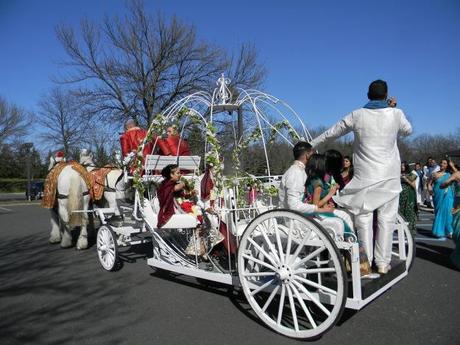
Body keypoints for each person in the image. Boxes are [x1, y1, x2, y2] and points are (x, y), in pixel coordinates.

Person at [310, 79, 412, 274]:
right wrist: (394, 108)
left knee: (363, 219)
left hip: (365, 176)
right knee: (387, 219)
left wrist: (311, 144)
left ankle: (364, 264)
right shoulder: (396, 114)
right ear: (386, 95)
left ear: (368, 95)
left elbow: (332, 132)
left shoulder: (357, 115)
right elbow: (408, 130)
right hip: (389, 175)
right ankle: (382, 263)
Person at [278, 142, 354, 239]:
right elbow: (293, 205)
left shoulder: (301, 171)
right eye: (313, 153)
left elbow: (304, 199)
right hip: (296, 220)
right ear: (308, 155)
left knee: (345, 215)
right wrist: (319, 209)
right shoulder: (295, 173)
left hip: (303, 215)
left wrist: (322, 206)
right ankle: (344, 249)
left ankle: (350, 246)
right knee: (337, 222)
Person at [304, 153, 354, 236]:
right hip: (315, 212)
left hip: (313, 209)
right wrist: (330, 194)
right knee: (344, 218)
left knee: (345, 216)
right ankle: (350, 240)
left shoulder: (312, 179)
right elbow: (315, 205)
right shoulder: (318, 184)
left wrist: (327, 204)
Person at [440, 162, 460, 269]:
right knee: (457, 233)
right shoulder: (457, 174)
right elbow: (442, 185)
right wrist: (448, 182)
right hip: (457, 208)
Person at [431, 158, 454, 239]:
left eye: (444, 163)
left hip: (447, 196)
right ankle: (439, 232)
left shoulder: (450, 174)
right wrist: (430, 190)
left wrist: (452, 165)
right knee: (438, 213)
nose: (442, 164)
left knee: (448, 212)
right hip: (437, 195)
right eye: (441, 163)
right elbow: (428, 184)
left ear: (447, 165)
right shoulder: (434, 174)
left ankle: (449, 231)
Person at [399, 161, 418, 235]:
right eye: (401, 166)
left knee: (409, 211)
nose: (402, 167)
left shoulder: (411, 174)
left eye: (403, 166)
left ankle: (410, 228)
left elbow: (414, 186)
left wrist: (406, 179)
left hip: (409, 195)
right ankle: (402, 228)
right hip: (401, 196)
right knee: (401, 211)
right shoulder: (398, 174)